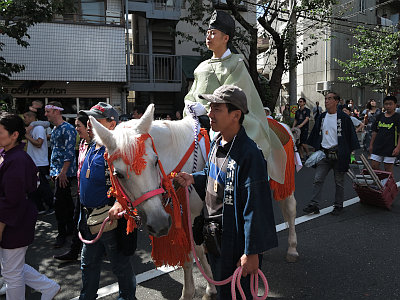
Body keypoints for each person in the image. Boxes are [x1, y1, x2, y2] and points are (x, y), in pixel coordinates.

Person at [175, 85, 278, 299]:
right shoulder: (217, 143)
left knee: (238, 294)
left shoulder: (249, 154)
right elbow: (213, 175)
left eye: (217, 109)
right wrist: (194, 178)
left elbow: (256, 208)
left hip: (236, 243)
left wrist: (251, 253)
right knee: (223, 293)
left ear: (236, 115)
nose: (210, 114)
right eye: (210, 108)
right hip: (215, 238)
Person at [184, 10, 286, 184]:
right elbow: (192, 92)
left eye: (213, 33)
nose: (208, 36)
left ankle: (249, 178)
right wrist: (189, 104)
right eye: (208, 32)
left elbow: (234, 96)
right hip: (196, 121)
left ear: (226, 38)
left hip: (222, 117)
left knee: (241, 143)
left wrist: (207, 109)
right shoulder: (201, 67)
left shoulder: (236, 63)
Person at [78, 102, 136, 300]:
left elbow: (133, 182)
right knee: (88, 264)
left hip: (109, 218)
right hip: (89, 218)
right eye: (89, 119)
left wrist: (121, 202)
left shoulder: (119, 148)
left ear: (112, 124)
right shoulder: (92, 144)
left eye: (96, 119)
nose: (89, 123)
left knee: (120, 265)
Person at [0, 112, 60, 299]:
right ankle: (49, 286)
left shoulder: (17, 160)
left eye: (0, 132)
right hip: (14, 219)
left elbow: (11, 201)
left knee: (12, 272)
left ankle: (49, 287)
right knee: (11, 266)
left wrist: (0, 227)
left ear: (14, 135)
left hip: (14, 222)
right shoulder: (9, 154)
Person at [303, 92, 359, 216]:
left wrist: (350, 153)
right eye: (326, 99)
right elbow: (316, 133)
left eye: (329, 99)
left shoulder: (344, 118)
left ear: (336, 101)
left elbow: (351, 136)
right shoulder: (322, 117)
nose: (326, 101)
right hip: (324, 154)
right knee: (318, 179)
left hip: (339, 154)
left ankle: (338, 205)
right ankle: (314, 205)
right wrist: (314, 148)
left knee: (339, 182)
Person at [54, 113, 92, 262]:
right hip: (80, 192)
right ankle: (73, 252)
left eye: (78, 126)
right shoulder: (82, 144)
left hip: (91, 194)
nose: (76, 129)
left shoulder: (97, 146)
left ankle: (103, 250)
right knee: (78, 223)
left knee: (89, 225)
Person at [45, 101, 77, 248]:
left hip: (64, 172)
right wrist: (53, 171)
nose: (46, 114)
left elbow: (69, 152)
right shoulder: (56, 129)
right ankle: (71, 229)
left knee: (59, 203)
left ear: (57, 111)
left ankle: (62, 234)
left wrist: (63, 172)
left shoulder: (68, 128)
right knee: (66, 202)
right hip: (57, 172)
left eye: (48, 111)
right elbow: (55, 152)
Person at [23, 111, 54, 214]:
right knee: (32, 186)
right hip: (32, 161)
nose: (24, 119)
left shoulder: (39, 128)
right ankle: (39, 207)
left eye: (25, 117)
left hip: (39, 162)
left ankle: (51, 206)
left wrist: (27, 136)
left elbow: (39, 143)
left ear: (31, 117)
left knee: (42, 185)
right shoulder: (33, 128)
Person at [369, 95, 400, 173]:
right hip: (378, 146)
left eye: (390, 104)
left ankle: (390, 184)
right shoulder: (380, 116)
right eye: (386, 104)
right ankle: (381, 183)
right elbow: (375, 131)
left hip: (391, 147)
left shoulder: (398, 117)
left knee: (388, 170)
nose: (388, 106)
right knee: (374, 166)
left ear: (395, 105)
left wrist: (398, 148)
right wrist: (371, 145)